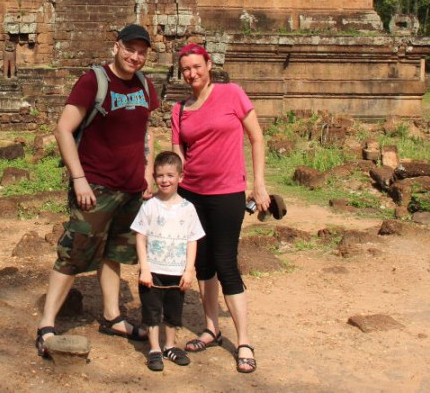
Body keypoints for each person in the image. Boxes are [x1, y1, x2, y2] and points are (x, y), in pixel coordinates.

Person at [36, 24, 160, 357]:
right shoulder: (94, 81)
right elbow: (63, 129)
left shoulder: (145, 85)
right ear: (117, 46)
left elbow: (146, 131)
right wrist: (78, 179)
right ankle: (46, 325)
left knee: (116, 253)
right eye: (130, 49)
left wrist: (147, 171)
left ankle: (112, 316)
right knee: (73, 253)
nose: (135, 56)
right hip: (95, 187)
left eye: (141, 51)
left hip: (131, 189)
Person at [171, 43, 269, 374]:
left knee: (227, 263)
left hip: (227, 193)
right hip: (191, 194)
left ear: (209, 64)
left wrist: (259, 184)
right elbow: (178, 156)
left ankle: (244, 341)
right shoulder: (179, 109)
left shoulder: (232, 94)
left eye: (197, 66)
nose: (191, 73)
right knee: (202, 264)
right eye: (186, 69)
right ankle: (212, 327)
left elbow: (256, 137)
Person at [131, 151, 205, 371]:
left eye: (170, 175)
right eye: (161, 175)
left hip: (177, 271)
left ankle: (170, 345)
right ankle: (154, 348)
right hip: (152, 271)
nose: (165, 180)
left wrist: (189, 270)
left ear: (180, 177)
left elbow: (193, 239)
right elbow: (140, 236)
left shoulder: (188, 208)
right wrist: (144, 268)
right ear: (154, 177)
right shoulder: (149, 206)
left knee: (174, 312)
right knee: (152, 311)